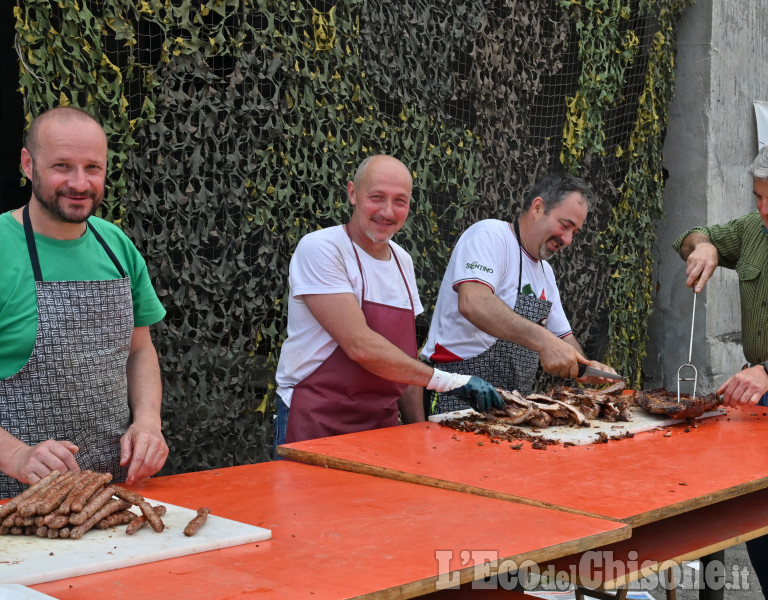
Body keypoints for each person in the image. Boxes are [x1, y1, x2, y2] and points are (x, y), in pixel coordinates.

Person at [274, 154, 503, 448]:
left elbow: (403, 363)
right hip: (316, 421)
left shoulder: (402, 261)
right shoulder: (322, 249)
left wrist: (421, 436)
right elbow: (361, 346)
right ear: (353, 193)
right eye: (377, 197)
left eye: (400, 201)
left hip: (380, 428)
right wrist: (452, 381)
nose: (387, 211)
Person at [0, 106, 169, 498]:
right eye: (62, 165)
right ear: (29, 164)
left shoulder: (116, 246)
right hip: (13, 499)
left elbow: (139, 350)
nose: (79, 183)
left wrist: (147, 422)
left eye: (93, 168)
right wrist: (17, 456)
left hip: (108, 493)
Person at [422, 172, 618, 413]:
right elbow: (474, 302)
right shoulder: (490, 236)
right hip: (458, 398)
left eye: (574, 233)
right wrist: (544, 342)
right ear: (537, 208)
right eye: (564, 226)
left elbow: (563, 337)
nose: (567, 240)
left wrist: (585, 367)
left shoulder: (545, 272)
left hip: (512, 408)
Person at [674, 143, 768, 597]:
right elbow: (691, 234)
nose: (763, 209)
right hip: (759, 399)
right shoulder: (753, 230)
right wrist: (705, 246)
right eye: (758, 197)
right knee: (754, 520)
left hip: (763, 380)